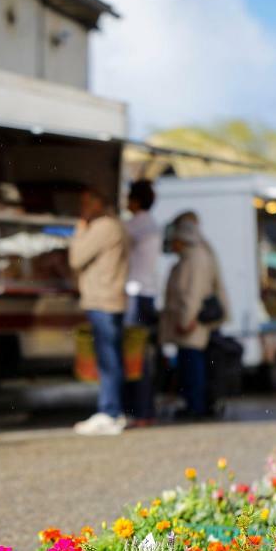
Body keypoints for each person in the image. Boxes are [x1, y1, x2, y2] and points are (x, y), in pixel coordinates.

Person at [69, 188, 129, 435]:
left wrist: (81, 228)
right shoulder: (115, 226)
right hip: (111, 298)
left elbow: (76, 257)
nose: (82, 208)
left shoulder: (103, 227)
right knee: (111, 356)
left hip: (102, 300)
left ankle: (109, 411)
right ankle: (112, 410)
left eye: (86, 203)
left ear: (99, 204)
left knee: (108, 359)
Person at [160, 218, 224, 418]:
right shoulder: (193, 257)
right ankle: (193, 404)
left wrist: (187, 320)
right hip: (190, 320)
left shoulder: (195, 259)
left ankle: (195, 406)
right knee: (190, 364)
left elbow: (193, 294)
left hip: (192, 323)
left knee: (193, 366)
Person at [124, 180, 161, 424]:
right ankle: (145, 410)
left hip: (135, 295)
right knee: (144, 356)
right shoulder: (153, 224)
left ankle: (139, 411)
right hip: (148, 294)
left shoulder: (135, 225)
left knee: (134, 357)